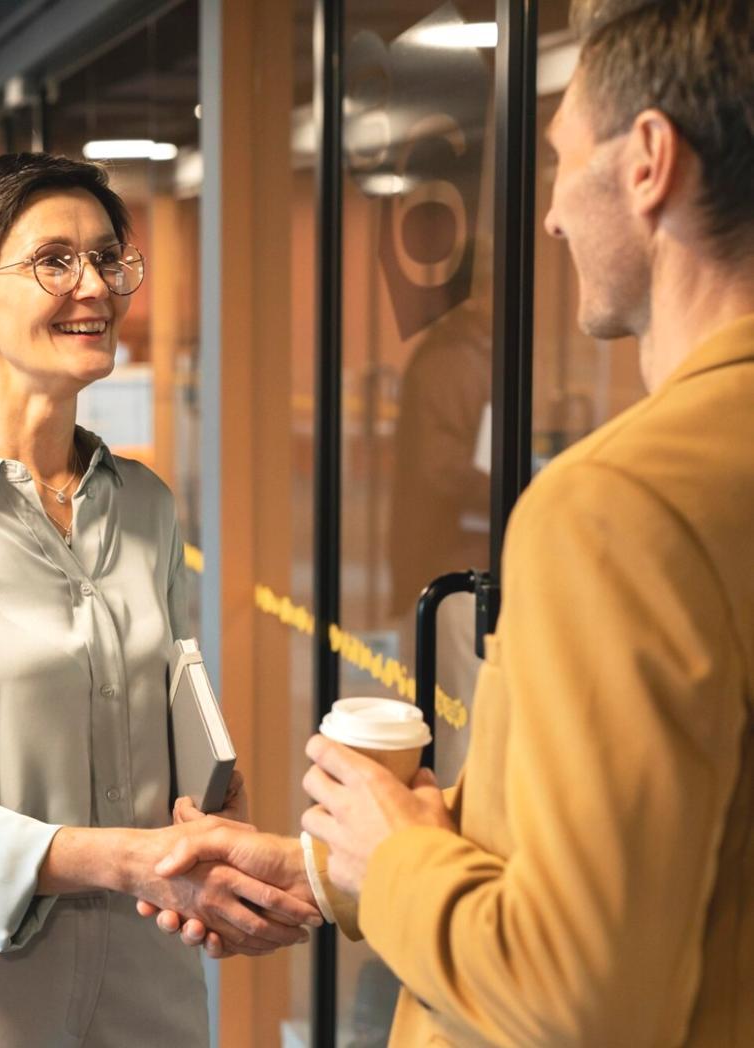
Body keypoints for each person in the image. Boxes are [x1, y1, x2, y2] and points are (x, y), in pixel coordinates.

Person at [163, 1, 754, 1043]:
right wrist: (326, 870)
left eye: (562, 159)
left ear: (649, 160)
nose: (552, 217)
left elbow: (580, 991)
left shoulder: (616, 507)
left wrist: (391, 857)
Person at [0, 152, 322, 1046]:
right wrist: (143, 862)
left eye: (108, 257)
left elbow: (174, 708)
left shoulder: (142, 504)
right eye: (53, 261)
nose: (94, 285)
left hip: (146, 967)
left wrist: (211, 832)